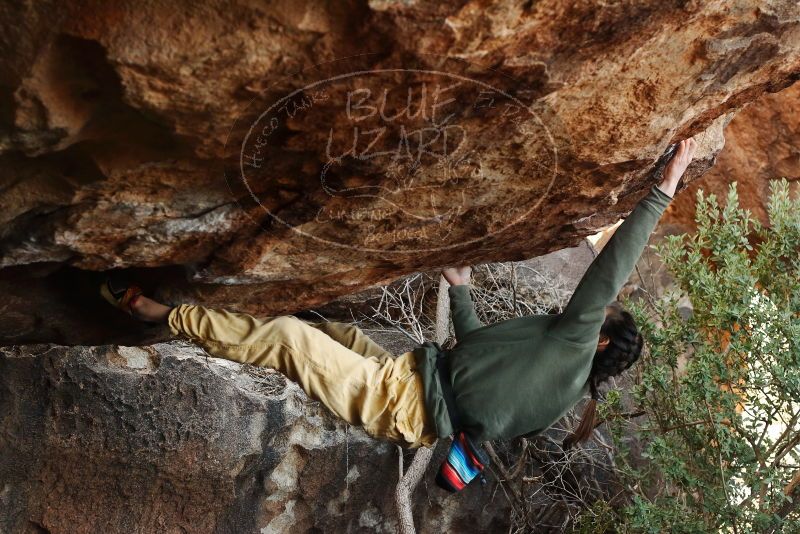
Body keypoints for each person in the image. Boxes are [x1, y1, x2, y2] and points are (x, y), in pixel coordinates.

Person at [101, 138, 698, 452]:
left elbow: (609, 270)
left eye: (602, 316)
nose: (586, 306)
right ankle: (194, 321)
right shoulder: (560, 388)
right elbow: (479, 378)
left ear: (601, 339)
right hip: (405, 379)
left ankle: (161, 315)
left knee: (287, 338)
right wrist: (462, 295)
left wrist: (664, 188)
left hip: (401, 401)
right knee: (311, 326)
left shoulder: (575, 343)